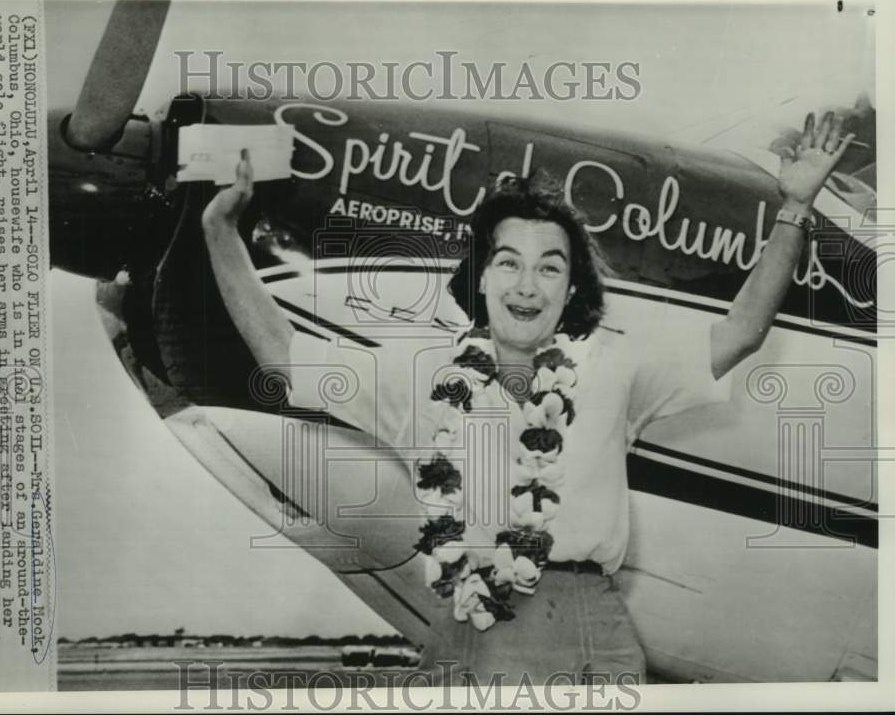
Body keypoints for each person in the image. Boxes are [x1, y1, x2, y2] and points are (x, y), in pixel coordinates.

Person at [201, 112, 853, 686]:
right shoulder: (419, 376)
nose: (528, 284)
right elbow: (285, 357)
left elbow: (740, 332)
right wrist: (219, 231)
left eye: (551, 267)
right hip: (479, 621)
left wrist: (794, 208)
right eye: (508, 262)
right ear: (481, 277)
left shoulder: (613, 368)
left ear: (571, 290)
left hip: (591, 621)